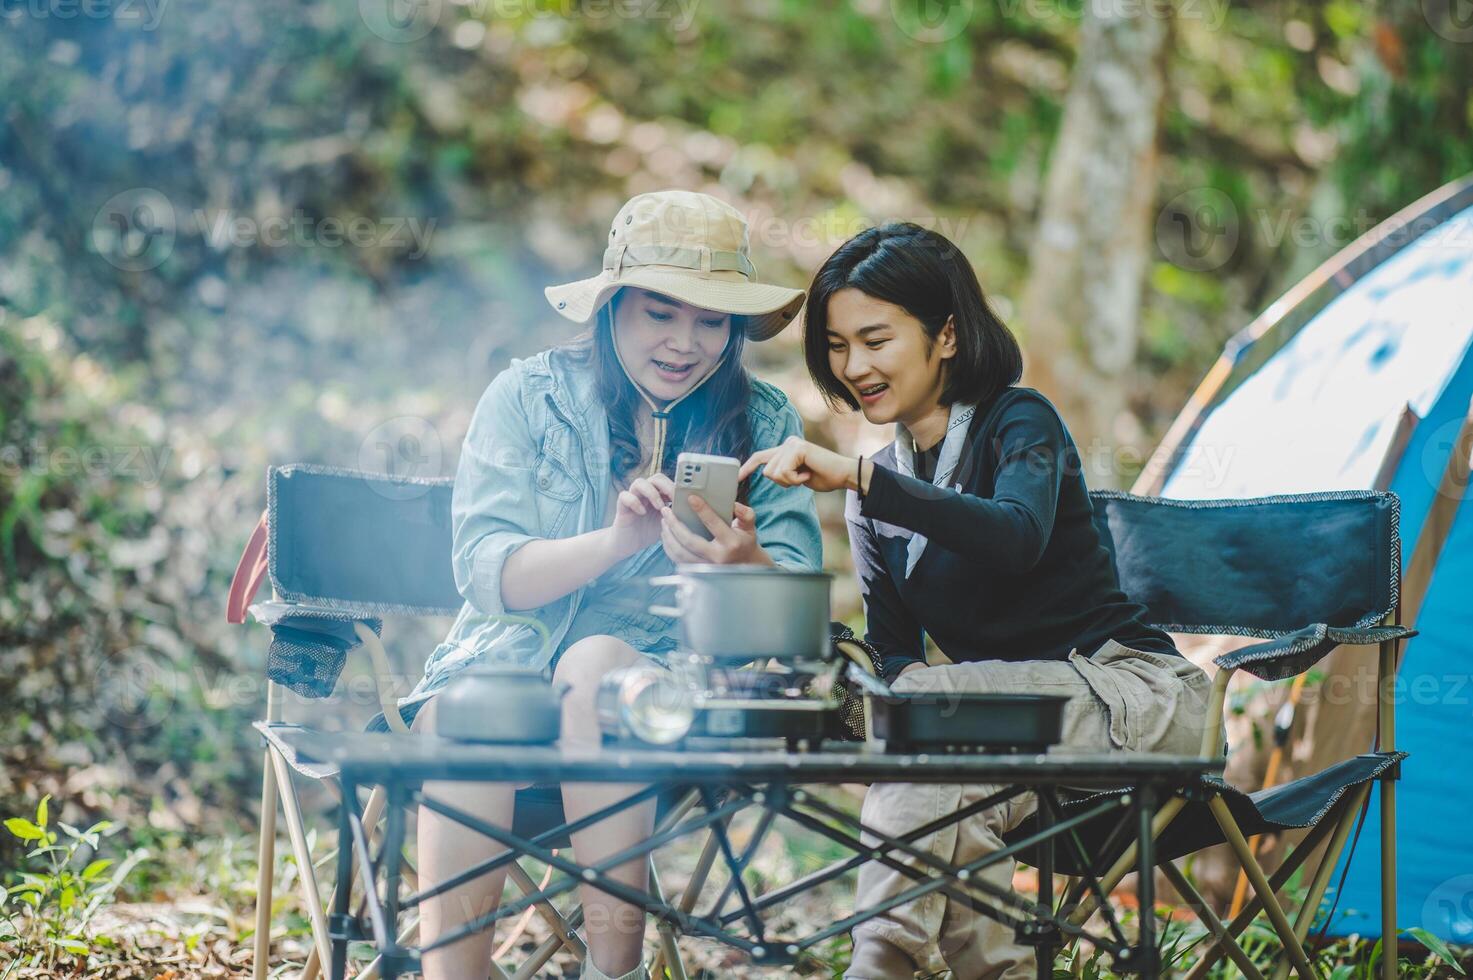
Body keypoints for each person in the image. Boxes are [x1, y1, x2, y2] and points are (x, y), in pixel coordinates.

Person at [739, 222, 1213, 979]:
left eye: (875, 339)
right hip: (996, 735)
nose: (853, 366)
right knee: (931, 749)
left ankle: (877, 968)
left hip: (1133, 699)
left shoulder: (1017, 422)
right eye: (835, 345)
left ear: (947, 334)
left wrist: (863, 479)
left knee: (930, 713)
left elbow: (1015, 535)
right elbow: (896, 658)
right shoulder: (875, 493)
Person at [400, 190, 823, 980]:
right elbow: (489, 573)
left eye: (710, 321)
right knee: (478, 702)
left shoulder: (765, 422)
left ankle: (614, 972)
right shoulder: (526, 397)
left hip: (667, 699)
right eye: (660, 314)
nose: (685, 343)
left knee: (596, 665)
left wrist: (744, 569)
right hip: (504, 680)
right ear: (612, 308)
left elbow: (794, 622)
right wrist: (615, 541)